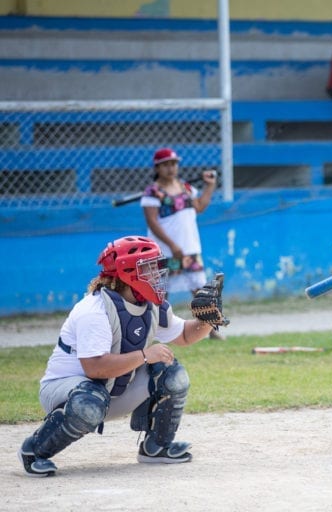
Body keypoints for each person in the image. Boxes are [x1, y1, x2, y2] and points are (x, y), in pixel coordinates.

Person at [17, 235, 222, 477]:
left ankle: (156, 448)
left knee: (172, 374)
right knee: (89, 403)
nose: (156, 274)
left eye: (156, 267)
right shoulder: (94, 310)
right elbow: (94, 368)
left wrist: (208, 319)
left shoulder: (150, 305)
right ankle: (34, 451)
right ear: (127, 273)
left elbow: (186, 336)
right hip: (65, 392)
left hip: (110, 391)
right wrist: (145, 354)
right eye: (148, 268)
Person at [141, 147, 223, 340]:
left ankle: (210, 329)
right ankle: (152, 331)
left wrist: (209, 186)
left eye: (174, 164)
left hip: (190, 247)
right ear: (157, 167)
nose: (171, 168)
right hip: (165, 251)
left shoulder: (186, 188)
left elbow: (200, 206)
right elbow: (152, 222)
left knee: (200, 290)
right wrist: (173, 246)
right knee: (161, 293)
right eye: (166, 165)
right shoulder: (152, 192)